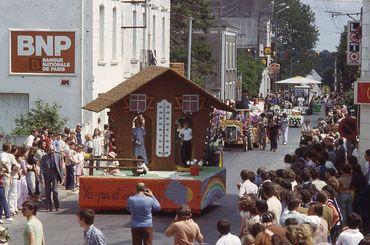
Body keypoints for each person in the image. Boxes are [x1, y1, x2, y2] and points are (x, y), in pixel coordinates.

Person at [40, 146, 62, 211]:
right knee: (47, 191)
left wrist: (61, 177)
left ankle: (57, 206)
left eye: (52, 150)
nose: (51, 152)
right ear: (47, 150)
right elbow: (42, 167)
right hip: (47, 174)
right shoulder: (44, 157)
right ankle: (48, 206)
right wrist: (41, 176)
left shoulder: (58, 156)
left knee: (55, 191)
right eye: (50, 150)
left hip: (55, 174)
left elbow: (60, 167)